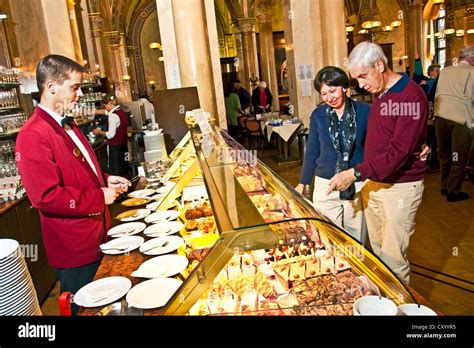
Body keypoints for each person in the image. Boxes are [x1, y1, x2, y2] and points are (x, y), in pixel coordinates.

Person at [15, 55, 131, 314]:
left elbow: (78, 168)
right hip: (76, 247)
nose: (79, 95)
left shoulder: (68, 123)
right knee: (89, 308)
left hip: (98, 233)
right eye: (75, 87)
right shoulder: (32, 134)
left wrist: (103, 179)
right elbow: (45, 196)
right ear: (51, 86)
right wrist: (98, 197)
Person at [327, 42, 429, 284]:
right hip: (375, 182)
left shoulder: (411, 96)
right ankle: (383, 303)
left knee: (394, 258)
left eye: (363, 76)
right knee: (379, 254)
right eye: (356, 79)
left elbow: (398, 152)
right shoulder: (381, 93)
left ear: (380, 65)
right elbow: (386, 138)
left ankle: (399, 307)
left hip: (400, 187)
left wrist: (355, 173)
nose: (361, 85)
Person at [295, 66, 370, 243]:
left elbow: (374, 145)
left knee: (355, 238)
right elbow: (312, 150)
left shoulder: (365, 111)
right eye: (324, 94)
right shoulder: (318, 115)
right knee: (328, 237)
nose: (330, 98)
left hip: (355, 181)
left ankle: (354, 270)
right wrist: (303, 181)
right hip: (325, 183)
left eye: (333, 90)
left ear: (344, 87)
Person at [433, 45, 474, 202]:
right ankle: (454, 190)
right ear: (471, 58)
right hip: (460, 119)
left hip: (440, 116)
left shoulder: (446, 71)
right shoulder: (471, 72)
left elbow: (434, 93)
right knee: (458, 156)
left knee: (444, 155)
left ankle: (444, 185)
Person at [413, 53, 441, 171]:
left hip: (437, 114)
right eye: (437, 71)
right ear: (431, 72)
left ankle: (433, 161)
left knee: (434, 140)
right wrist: (418, 60)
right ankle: (430, 161)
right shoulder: (425, 81)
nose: (439, 73)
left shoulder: (441, 82)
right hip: (428, 116)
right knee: (429, 139)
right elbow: (418, 74)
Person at [93, 95, 129, 176]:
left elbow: (110, 135)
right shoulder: (121, 111)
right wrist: (94, 111)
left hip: (115, 148)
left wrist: (99, 131)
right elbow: (106, 112)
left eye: (105, 106)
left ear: (109, 104)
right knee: (123, 170)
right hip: (123, 145)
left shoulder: (113, 116)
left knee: (116, 172)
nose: (105, 108)